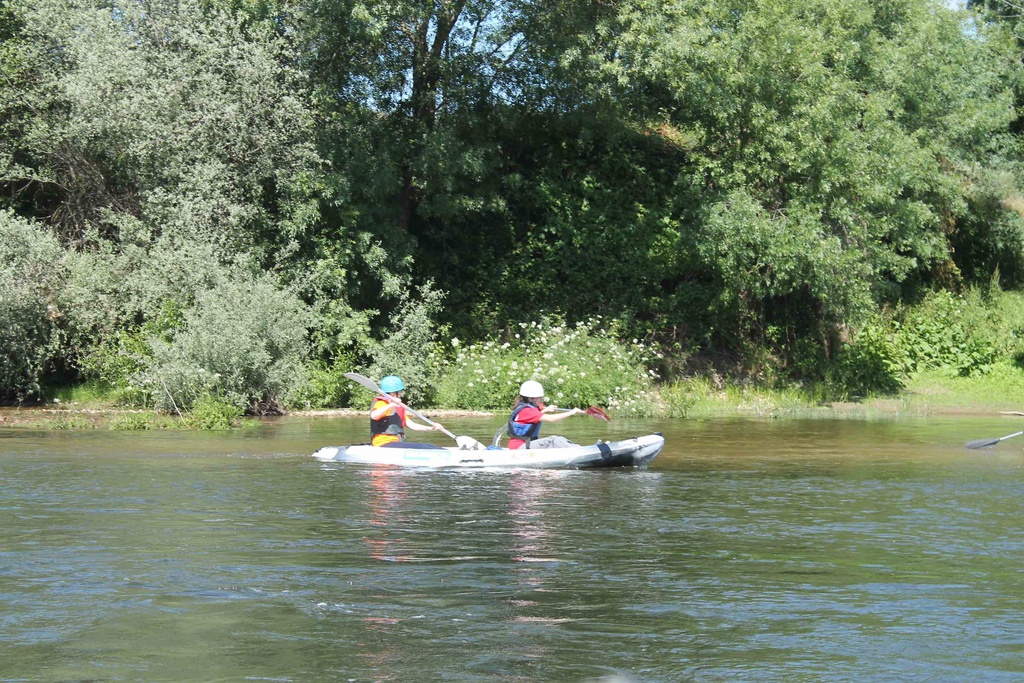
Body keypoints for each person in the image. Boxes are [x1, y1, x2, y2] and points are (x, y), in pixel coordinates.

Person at [370, 375, 446, 448]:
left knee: (429, 446)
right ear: (393, 393)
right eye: (399, 392)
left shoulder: (398, 407)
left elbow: (412, 425)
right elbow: (374, 415)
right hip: (382, 443)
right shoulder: (381, 403)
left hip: (396, 443)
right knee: (421, 446)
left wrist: (431, 428)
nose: (400, 394)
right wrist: (390, 405)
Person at [506, 380, 584, 449]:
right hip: (520, 447)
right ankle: (580, 450)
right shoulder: (528, 411)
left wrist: (546, 409)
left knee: (555, 441)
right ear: (530, 398)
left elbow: (533, 417)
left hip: (521, 445)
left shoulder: (525, 408)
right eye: (539, 397)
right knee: (553, 440)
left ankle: (577, 448)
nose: (541, 399)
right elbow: (551, 419)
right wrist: (572, 412)